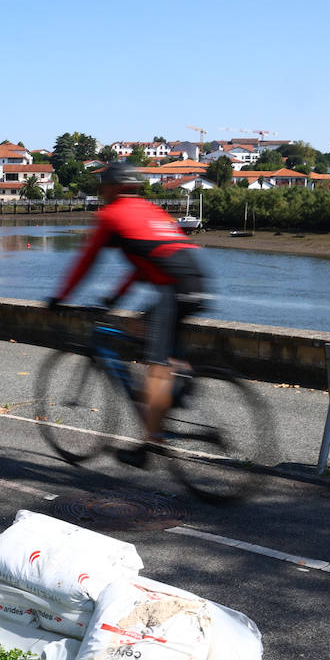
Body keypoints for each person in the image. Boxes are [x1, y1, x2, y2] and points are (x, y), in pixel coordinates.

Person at [46, 161, 206, 467]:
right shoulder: (150, 211)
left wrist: (59, 297)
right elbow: (145, 263)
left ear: (115, 188)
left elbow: (86, 262)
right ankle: (181, 379)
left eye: (102, 187)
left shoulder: (111, 215)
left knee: (155, 366)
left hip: (176, 287)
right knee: (139, 327)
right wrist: (114, 298)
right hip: (196, 276)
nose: (100, 193)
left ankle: (150, 445)